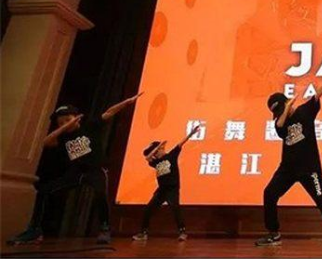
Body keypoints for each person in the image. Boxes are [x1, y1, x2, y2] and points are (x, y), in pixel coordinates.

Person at [7, 94, 143, 245]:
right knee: (44, 191)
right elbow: (45, 142)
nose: (64, 123)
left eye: (67, 119)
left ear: (77, 117)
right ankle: (35, 231)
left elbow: (109, 112)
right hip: (75, 173)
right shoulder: (62, 136)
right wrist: (65, 127)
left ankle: (104, 228)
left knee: (100, 193)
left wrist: (127, 102)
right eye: (60, 122)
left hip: (95, 170)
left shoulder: (89, 126)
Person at [255, 66, 322, 247]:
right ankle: (273, 233)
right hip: (287, 169)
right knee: (269, 193)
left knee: (321, 198)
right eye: (277, 113)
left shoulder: (305, 112)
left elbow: (317, 95)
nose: (279, 115)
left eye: (280, 110)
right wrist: (285, 109)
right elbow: (279, 126)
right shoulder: (280, 123)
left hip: (309, 168)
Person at [131, 124, 201, 242]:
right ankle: (143, 233)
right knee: (148, 209)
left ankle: (183, 232)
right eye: (159, 150)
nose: (162, 150)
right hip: (161, 190)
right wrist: (156, 149)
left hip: (172, 188)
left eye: (162, 149)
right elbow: (147, 158)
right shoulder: (155, 162)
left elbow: (180, 143)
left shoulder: (171, 156)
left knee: (175, 208)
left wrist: (191, 134)